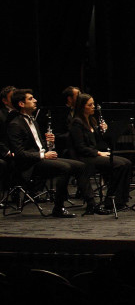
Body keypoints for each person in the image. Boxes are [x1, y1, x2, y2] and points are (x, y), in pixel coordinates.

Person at [6, 89, 88, 217]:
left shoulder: (33, 120)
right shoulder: (15, 124)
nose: (35, 100)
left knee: (80, 165)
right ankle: (58, 208)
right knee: (65, 168)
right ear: (21, 104)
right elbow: (19, 153)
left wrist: (47, 142)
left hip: (41, 159)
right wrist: (43, 155)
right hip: (29, 165)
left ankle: (91, 204)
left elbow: (37, 145)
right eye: (31, 99)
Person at [69, 93, 133, 213]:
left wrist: (105, 131)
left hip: (95, 154)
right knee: (119, 165)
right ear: (83, 107)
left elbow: (100, 142)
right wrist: (98, 153)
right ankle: (111, 200)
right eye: (90, 105)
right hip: (85, 157)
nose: (94, 107)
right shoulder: (77, 123)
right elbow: (80, 147)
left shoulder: (92, 121)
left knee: (127, 163)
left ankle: (120, 200)